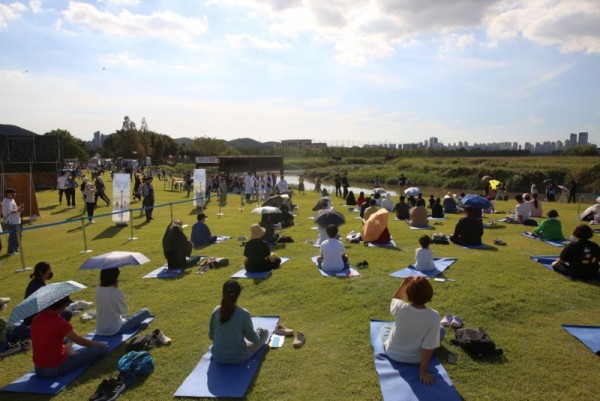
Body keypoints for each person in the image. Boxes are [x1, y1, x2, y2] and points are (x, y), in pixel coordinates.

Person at [380, 277, 442, 386]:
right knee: (441, 330)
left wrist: (404, 283)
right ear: (430, 294)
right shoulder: (434, 316)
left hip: (392, 353)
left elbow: (396, 298)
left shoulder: (400, 307)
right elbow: (427, 348)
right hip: (416, 359)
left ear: (408, 294)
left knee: (385, 328)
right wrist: (423, 372)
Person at [31, 296, 108, 378]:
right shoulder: (60, 322)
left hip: (38, 369)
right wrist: (98, 344)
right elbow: (79, 340)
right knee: (101, 349)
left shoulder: (36, 318)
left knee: (66, 343)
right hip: (55, 368)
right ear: (62, 306)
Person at [209, 280, 270, 364]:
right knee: (265, 331)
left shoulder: (216, 311)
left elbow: (211, 336)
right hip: (239, 357)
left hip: (218, 356)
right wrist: (259, 331)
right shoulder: (243, 313)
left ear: (223, 293)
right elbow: (254, 339)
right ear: (239, 294)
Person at [95, 268, 151, 335]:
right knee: (146, 311)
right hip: (116, 329)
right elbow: (124, 311)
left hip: (100, 329)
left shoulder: (98, 290)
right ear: (114, 278)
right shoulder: (116, 292)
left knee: (122, 317)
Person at [2, 188, 23, 255]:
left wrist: (20, 208)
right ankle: (10, 251)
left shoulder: (12, 200)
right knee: (13, 236)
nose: (14, 195)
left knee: (19, 235)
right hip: (11, 221)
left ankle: (16, 248)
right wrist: (18, 209)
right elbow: (10, 211)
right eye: (13, 194)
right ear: (8, 194)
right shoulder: (5, 201)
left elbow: (15, 209)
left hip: (17, 220)